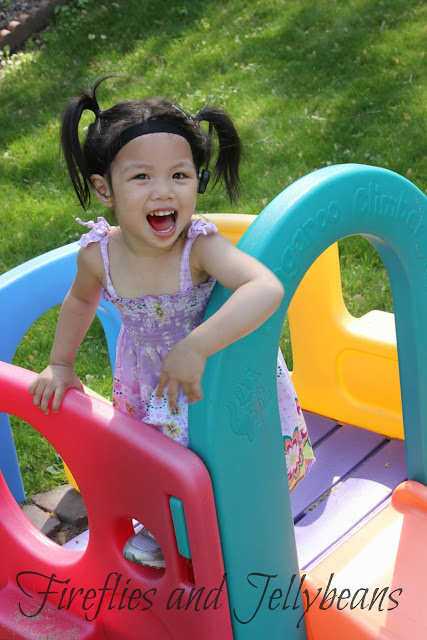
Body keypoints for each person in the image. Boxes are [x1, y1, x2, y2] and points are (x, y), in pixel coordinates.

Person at [29, 75, 315, 569]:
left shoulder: (198, 247)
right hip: (151, 380)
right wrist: (60, 363)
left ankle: (244, 520)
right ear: (104, 188)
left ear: (196, 181)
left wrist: (196, 346)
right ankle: (174, 527)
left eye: (179, 175)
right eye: (142, 177)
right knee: (159, 458)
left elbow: (265, 287)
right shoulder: (99, 255)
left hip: (216, 369)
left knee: (227, 453)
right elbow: (79, 301)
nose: (164, 192)